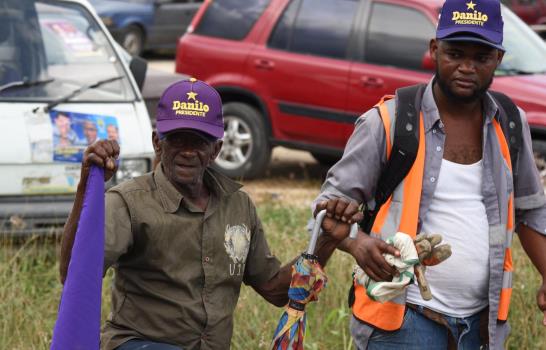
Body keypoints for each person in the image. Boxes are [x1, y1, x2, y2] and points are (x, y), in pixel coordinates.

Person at [59, 78, 361, 350]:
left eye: (199, 141)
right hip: (139, 343)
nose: (188, 151)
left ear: (216, 149)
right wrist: (87, 187)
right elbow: (72, 274)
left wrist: (325, 241)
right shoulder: (129, 202)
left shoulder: (238, 206)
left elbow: (275, 290)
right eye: (178, 139)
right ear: (157, 143)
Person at [313, 0, 546, 349]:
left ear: (498, 58)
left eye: (481, 57)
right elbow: (325, 210)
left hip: (481, 324)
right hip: (403, 320)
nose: (466, 67)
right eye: (454, 53)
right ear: (434, 50)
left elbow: (530, 211)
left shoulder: (510, 123)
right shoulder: (389, 121)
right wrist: (356, 243)